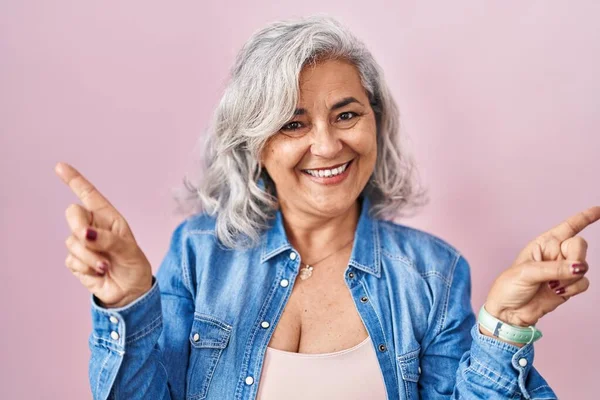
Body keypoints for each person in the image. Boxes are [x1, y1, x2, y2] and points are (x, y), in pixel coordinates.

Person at [55, 15, 598, 400]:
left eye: (346, 115)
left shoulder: (433, 274)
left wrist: (507, 324)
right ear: (255, 145)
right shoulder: (198, 253)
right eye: (293, 123)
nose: (328, 145)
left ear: (376, 122)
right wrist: (127, 299)